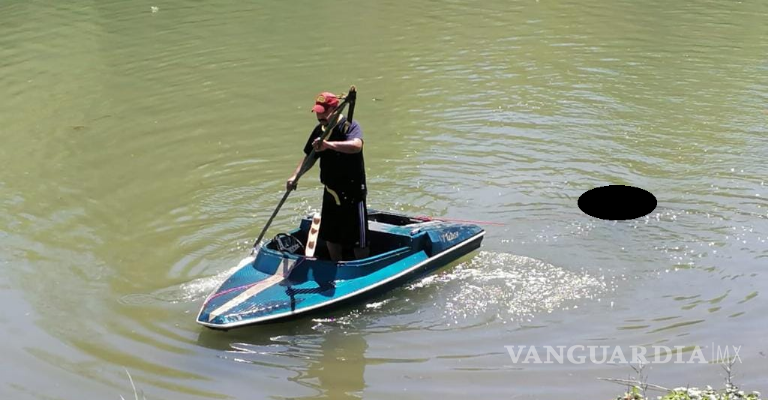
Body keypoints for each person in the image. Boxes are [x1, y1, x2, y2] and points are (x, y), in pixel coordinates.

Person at [287, 92, 369, 261]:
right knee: (331, 236)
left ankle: (360, 268)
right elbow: (309, 158)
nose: (319, 116)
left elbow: (356, 146)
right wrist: (295, 177)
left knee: (358, 240)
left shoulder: (349, 126)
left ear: (335, 109)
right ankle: (334, 265)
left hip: (352, 191)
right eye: (317, 112)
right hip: (331, 191)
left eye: (323, 112)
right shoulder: (319, 131)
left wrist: (328, 145)